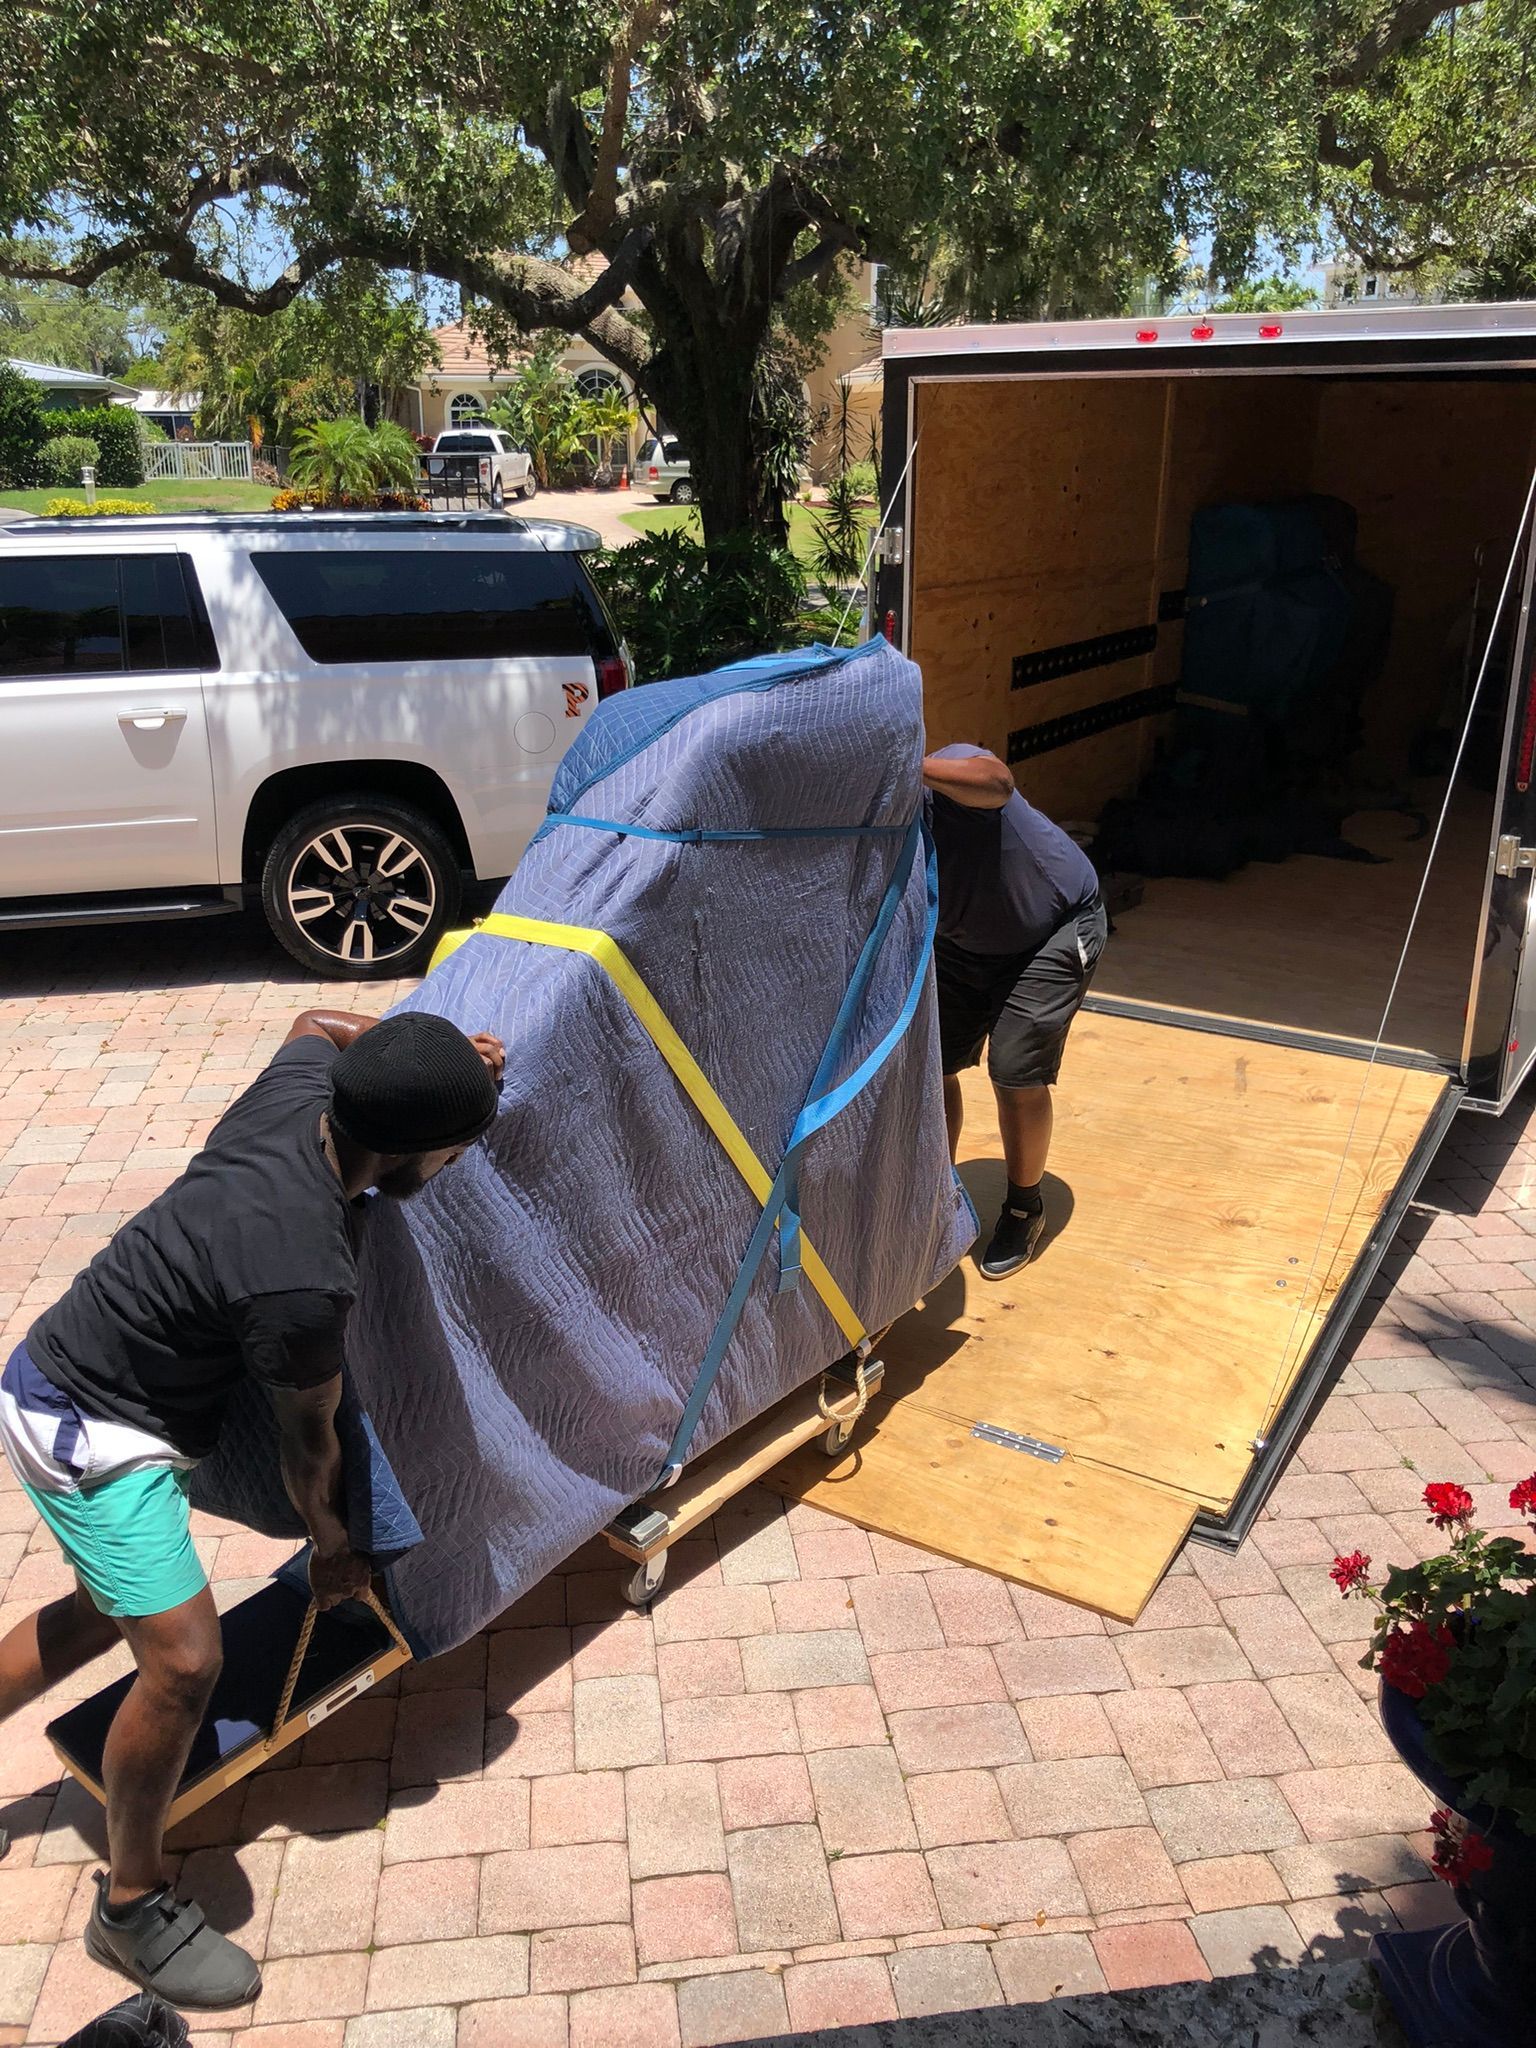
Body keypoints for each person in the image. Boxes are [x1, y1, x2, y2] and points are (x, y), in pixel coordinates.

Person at [0, 1008, 504, 2011]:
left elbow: (318, 1020)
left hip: (97, 1366)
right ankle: (131, 1905)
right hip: (89, 1423)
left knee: (113, 1603)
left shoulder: (302, 1099)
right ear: (409, 1150)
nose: (450, 1165)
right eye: (451, 1149)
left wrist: (429, 1058)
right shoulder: (306, 1275)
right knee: (184, 1658)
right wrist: (332, 1547)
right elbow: (306, 1449)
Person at [923, 743, 1107, 1278]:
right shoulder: (858, 826)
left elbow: (997, 781)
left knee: (1014, 1067)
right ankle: (939, 1199)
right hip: (961, 939)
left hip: (1053, 928)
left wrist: (910, 765)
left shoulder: (944, 776)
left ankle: (1025, 1207)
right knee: (931, 1066)